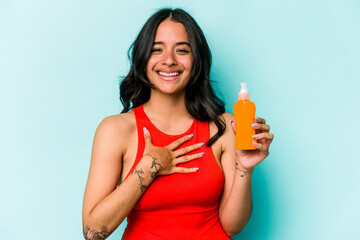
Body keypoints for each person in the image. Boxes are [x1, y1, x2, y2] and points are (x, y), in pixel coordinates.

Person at [82, 8, 273, 240]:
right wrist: (151, 166)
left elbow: (233, 227)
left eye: (182, 50)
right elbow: (93, 232)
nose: (169, 60)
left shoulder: (225, 126)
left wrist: (245, 168)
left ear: (196, 60)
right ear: (143, 59)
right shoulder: (115, 130)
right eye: (157, 50)